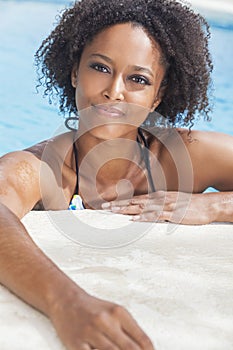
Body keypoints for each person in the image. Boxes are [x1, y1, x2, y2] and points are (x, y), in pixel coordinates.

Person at [0, 0, 233, 348]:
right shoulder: (42, 167)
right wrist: (66, 302)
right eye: (100, 67)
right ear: (75, 72)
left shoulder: (186, 155)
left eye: (138, 79)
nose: (115, 91)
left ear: (158, 96)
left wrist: (214, 207)